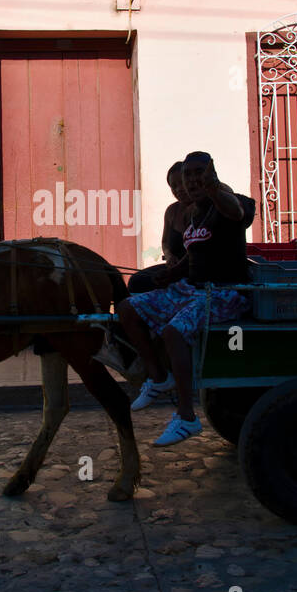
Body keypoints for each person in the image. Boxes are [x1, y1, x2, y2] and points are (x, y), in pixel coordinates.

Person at [116, 151, 254, 446]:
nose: (191, 181)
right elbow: (193, 255)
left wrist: (214, 187)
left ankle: (187, 417)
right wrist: (171, 274)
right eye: (187, 175)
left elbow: (236, 213)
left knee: (174, 332)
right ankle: (157, 375)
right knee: (127, 309)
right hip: (192, 287)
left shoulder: (232, 203)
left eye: (198, 173)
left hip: (225, 293)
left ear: (212, 174)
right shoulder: (195, 212)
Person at [126, 161, 190, 296]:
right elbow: (165, 242)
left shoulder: (202, 208)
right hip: (174, 268)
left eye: (181, 183)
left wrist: (176, 270)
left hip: (193, 270)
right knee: (136, 281)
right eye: (174, 186)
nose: (178, 189)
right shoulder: (171, 211)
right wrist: (169, 256)